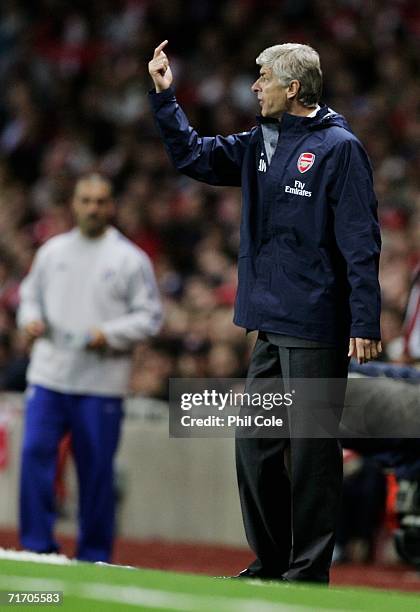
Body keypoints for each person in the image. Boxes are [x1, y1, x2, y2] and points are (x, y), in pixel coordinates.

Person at [148, 41, 382, 584]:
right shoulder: (261, 141)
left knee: (312, 453)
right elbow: (193, 156)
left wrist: (365, 321)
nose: (254, 87)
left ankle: (308, 572)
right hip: (269, 323)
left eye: (262, 78)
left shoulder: (339, 148)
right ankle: (272, 560)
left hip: (318, 322)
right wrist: (165, 97)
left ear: (292, 88)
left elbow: (360, 241)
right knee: (254, 443)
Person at [18, 173, 162, 562]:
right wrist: (29, 320)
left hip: (101, 382)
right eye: (86, 200)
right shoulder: (53, 252)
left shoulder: (129, 259)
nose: (93, 208)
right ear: (74, 204)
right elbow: (29, 296)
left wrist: (108, 333)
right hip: (49, 374)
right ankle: (36, 546)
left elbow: (150, 317)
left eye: (100, 201)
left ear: (111, 206)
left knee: (97, 471)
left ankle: (94, 554)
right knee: (34, 454)